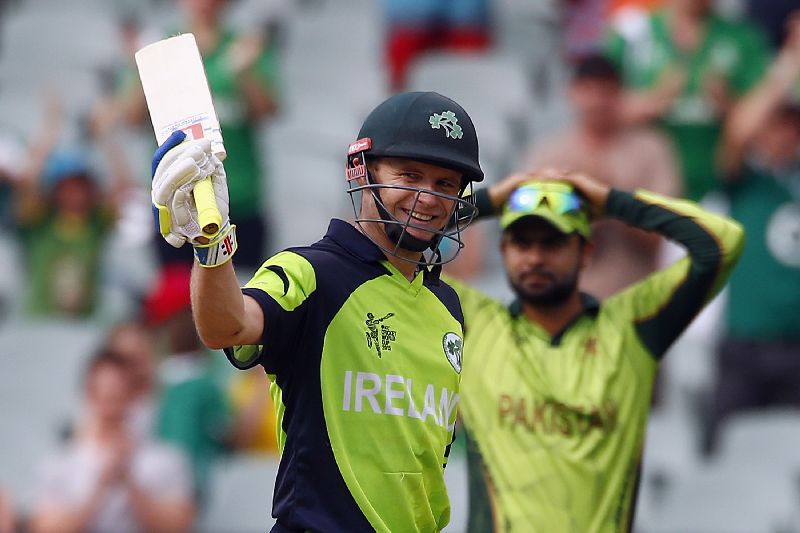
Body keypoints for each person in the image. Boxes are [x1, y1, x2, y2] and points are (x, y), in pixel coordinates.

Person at [149, 91, 483, 531]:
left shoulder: (449, 308)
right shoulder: (311, 273)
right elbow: (226, 327)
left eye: (445, 184)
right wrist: (210, 247)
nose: (428, 197)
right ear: (362, 171)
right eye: (410, 175)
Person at [445, 170, 744, 531]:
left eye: (553, 242)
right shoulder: (475, 322)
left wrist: (613, 202)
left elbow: (722, 242)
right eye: (522, 243)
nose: (536, 257)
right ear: (503, 250)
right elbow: (392, 244)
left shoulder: (630, 328)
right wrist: (487, 201)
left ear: (585, 251)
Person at [121, 0, 281, 272]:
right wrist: (143, 69)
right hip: (176, 197)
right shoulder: (159, 48)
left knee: (237, 295)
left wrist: (245, 72)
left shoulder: (245, 46)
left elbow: (267, 111)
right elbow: (133, 118)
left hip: (238, 197)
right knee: (178, 299)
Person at [704, 13, 800, 453]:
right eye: (776, 123)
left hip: (796, 344)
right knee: (725, 455)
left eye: (791, 125)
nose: (782, 133)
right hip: (745, 344)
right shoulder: (746, 181)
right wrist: (788, 63)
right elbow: (738, 131)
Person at [526, 53, 680, 298]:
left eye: (606, 91)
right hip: (562, 304)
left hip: (632, 302)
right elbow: (529, 236)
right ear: (572, 93)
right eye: (588, 90)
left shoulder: (651, 149)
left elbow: (658, 239)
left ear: (621, 94)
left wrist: (608, 197)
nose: (597, 101)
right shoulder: (549, 153)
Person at [605, 0, 771, 201]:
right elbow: (600, 111)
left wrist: (726, 103)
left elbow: (768, 130)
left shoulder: (743, 38)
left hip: (721, 189)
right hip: (645, 185)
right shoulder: (634, 35)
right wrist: (656, 98)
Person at [29, 353, 195, 533]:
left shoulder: (165, 458)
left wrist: (130, 483)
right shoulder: (60, 461)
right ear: (88, 392)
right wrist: (99, 488)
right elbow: (44, 527)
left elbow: (180, 525)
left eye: (117, 393)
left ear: (132, 394)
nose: (110, 404)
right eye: (105, 393)